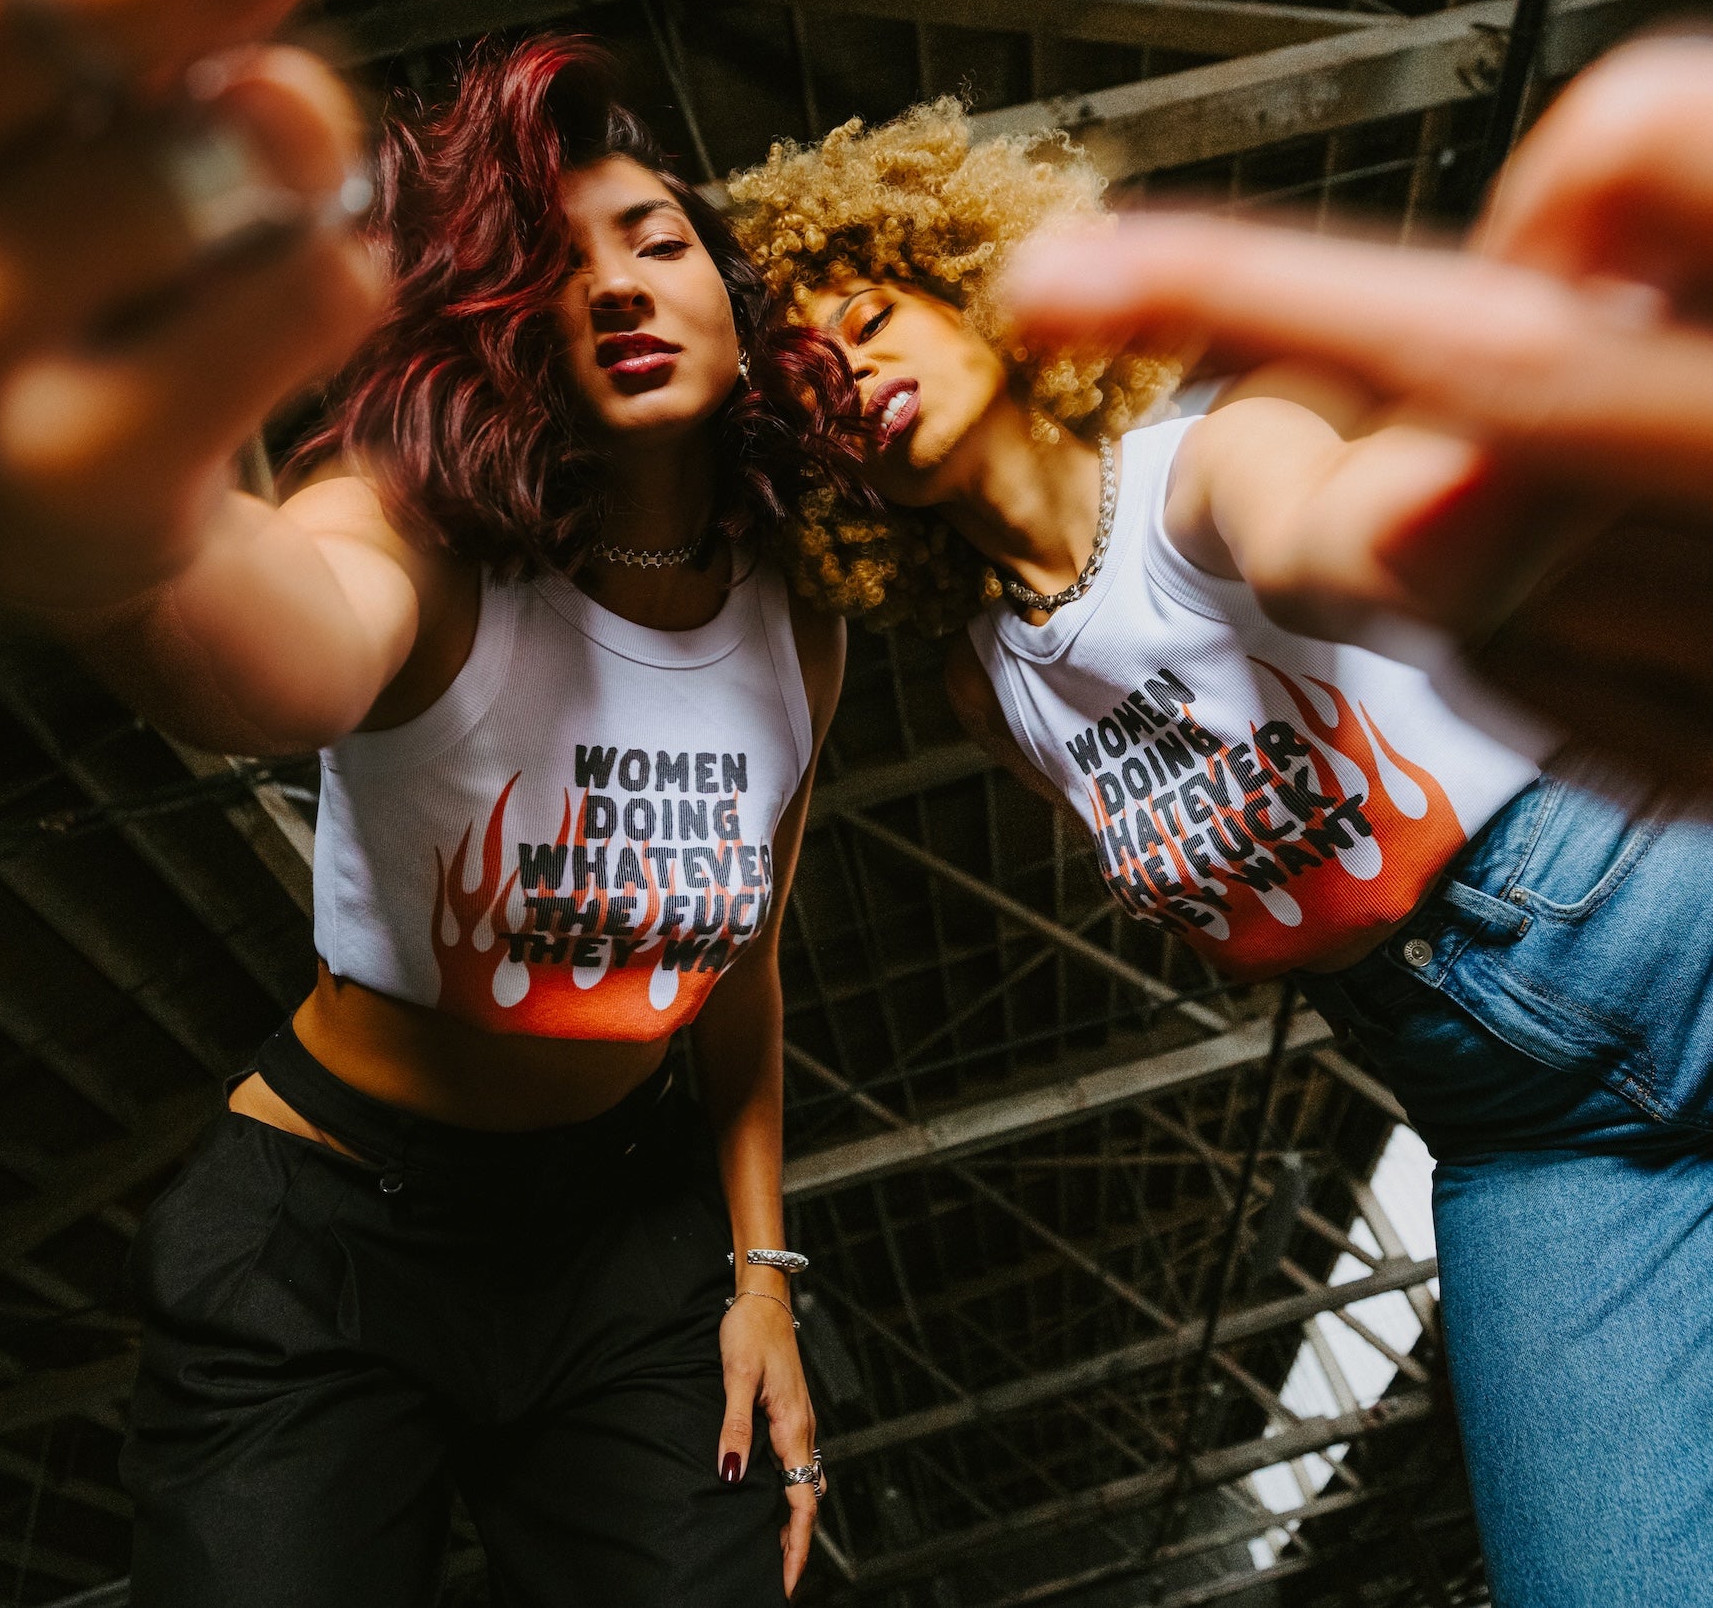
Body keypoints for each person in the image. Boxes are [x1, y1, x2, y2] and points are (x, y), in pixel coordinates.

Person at [0, 0, 843, 1604]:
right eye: (557, 260)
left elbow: (741, 960)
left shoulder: (799, 618)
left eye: (657, 238)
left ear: (729, 289)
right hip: (332, 1236)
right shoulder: (421, 544)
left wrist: (759, 1266)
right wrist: (128, 516)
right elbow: (261, 643)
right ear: (506, 324)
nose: (618, 282)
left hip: (627, 1254)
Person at [730, 102, 1713, 1608]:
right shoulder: (988, 690)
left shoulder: (1206, 464)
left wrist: (1503, 464)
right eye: (809, 387)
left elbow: (1326, 535)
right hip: (1514, 1127)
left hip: (1658, 916)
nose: (850, 373)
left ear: (976, 290)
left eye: (870, 318)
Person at [1000, 36, 1713, 799]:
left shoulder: (1195, 453)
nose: (864, 370)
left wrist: (1412, 503)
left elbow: (1309, 527)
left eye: (899, 299)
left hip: (1560, 840)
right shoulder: (989, 676)